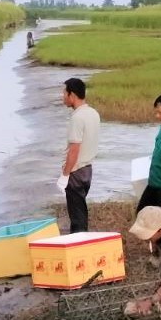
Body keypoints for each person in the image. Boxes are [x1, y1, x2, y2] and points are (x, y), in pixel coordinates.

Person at [56, 78, 100, 233]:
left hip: (76, 172)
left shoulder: (77, 118)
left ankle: (80, 247)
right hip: (87, 170)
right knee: (80, 211)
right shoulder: (93, 113)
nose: (63, 96)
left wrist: (65, 175)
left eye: (64, 93)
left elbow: (74, 149)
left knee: (77, 218)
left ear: (72, 95)